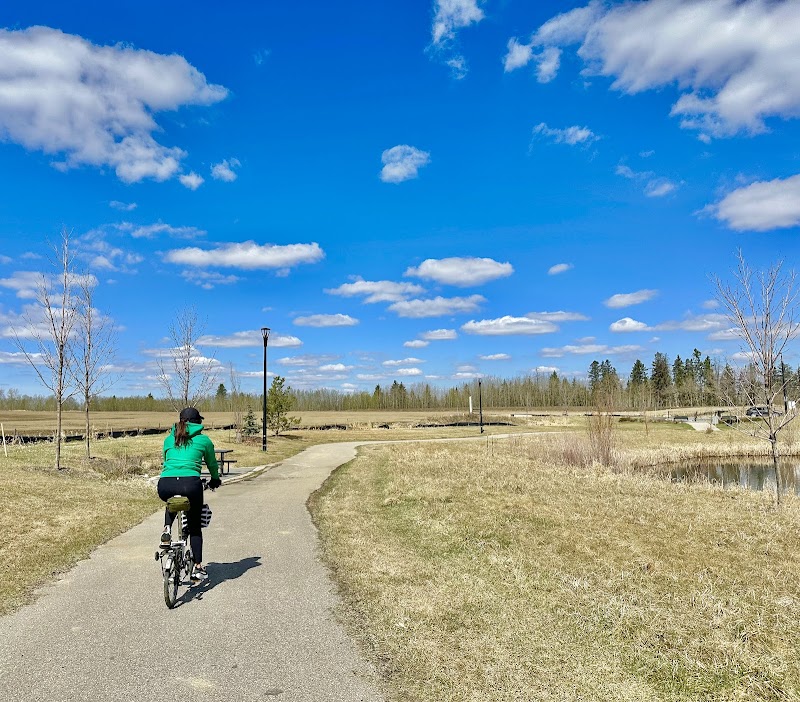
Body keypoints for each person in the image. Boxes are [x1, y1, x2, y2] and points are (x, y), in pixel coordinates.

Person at [157, 407, 221, 581]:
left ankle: (167, 529)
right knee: (194, 527)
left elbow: (166, 461)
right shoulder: (203, 440)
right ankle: (198, 567)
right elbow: (212, 465)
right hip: (190, 485)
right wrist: (215, 479)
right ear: (198, 422)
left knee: (172, 500)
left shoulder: (169, 439)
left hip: (165, 484)